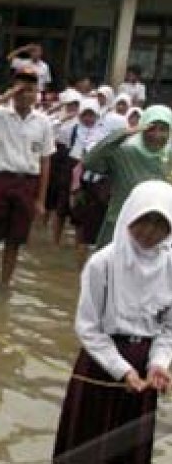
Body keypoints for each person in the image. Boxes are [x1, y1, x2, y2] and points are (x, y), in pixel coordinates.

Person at [53, 180, 172, 464]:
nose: (150, 232)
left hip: (144, 375)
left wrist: (159, 364)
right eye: (144, 221)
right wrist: (121, 370)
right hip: (100, 365)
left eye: (160, 224)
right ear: (129, 216)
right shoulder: (102, 263)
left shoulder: (170, 268)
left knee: (128, 453)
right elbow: (88, 327)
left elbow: (168, 328)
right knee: (86, 445)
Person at [0, 67, 54, 290]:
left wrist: (41, 200)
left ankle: (4, 284)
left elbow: (45, 161)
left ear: (37, 94)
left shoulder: (43, 122)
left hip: (26, 184)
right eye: (20, 90)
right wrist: (2, 99)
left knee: (15, 241)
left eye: (30, 90)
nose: (25, 95)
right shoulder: (0, 116)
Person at [83, 105, 172, 249]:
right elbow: (89, 162)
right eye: (151, 128)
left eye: (164, 129)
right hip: (119, 228)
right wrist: (123, 134)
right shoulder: (124, 154)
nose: (157, 135)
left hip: (158, 234)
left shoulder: (169, 158)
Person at [68, 100, 110, 266]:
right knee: (82, 229)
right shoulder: (75, 132)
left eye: (91, 114)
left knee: (94, 233)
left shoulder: (103, 134)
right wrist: (75, 191)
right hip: (85, 189)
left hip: (100, 190)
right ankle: (81, 268)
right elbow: (76, 171)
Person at [47, 89, 82, 245]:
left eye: (76, 104)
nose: (73, 107)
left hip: (72, 159)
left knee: (68, 198)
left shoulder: (82, 120)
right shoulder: (57, 118)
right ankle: (49, 233)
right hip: (56, 155)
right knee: (52, 193)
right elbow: (48, 133)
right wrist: (62, 118)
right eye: (70, 104)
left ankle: (71, 239)